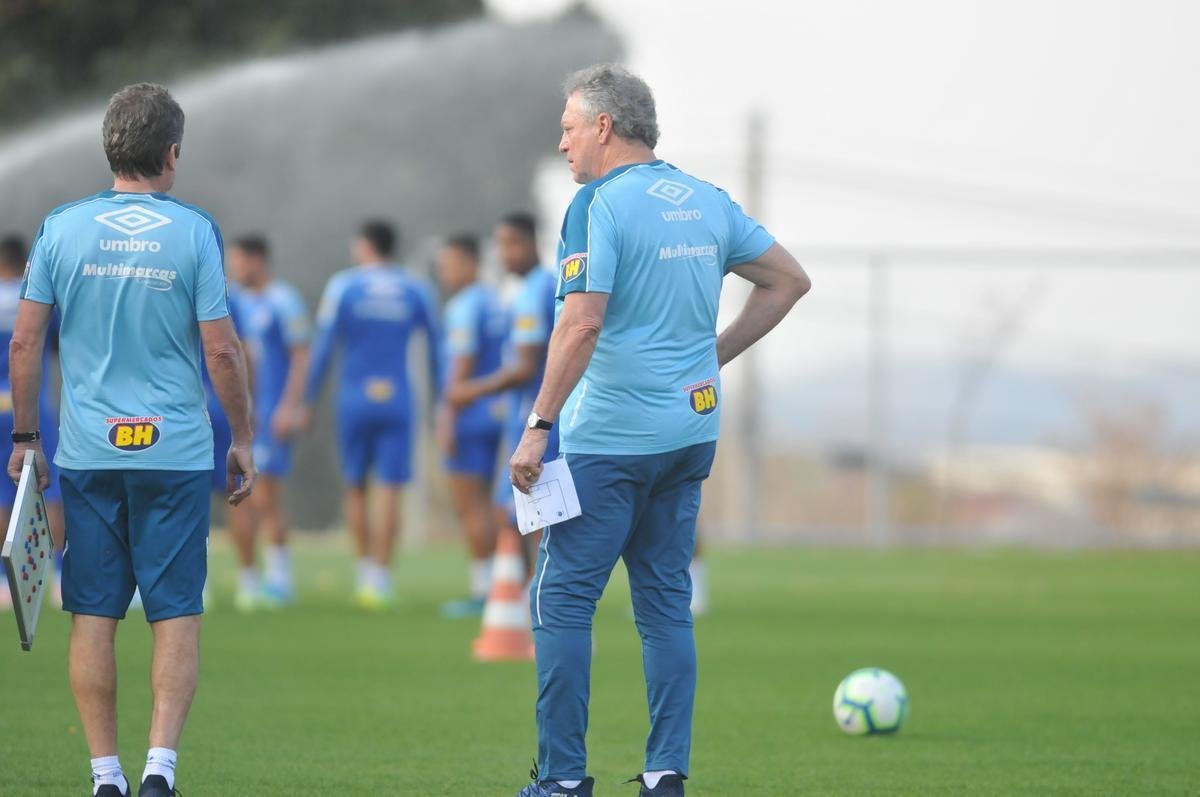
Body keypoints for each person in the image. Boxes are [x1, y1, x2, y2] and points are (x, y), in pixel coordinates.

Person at [508, 65, 811, 797]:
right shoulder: (705, 200)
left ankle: (562, 781)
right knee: (665, 604)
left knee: (560, 604)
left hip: (608, 438)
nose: (562, 142)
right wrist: (712, 357)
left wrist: (537, 424)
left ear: (605, 127)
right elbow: (788, 280)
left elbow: (580, 323)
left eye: (570, 126)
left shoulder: (596, 205)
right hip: (689, 432)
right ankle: (664, 773)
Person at [7, 83, 255, 797]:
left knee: (93, 612)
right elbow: (223, 353)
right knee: (175, 611)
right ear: (172, 153)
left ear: (109, 149)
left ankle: (104, 774)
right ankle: (159, 770)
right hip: (174, 453)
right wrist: (240, 435)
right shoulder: (194, 231)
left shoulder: (62, 227)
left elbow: (25, 344)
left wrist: (27, 437)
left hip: (87, 453)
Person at [300, 221, 439, 610]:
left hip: (355, 396)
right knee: (391, 489)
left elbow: (324, 346)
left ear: (363, 247)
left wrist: (307, 400)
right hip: (398, 397)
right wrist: (443, 402)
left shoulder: (345, 286)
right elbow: (437, 348)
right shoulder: (415, 288)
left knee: (355, 486)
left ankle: (364, 575)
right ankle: (382, 579)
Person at [443, 213, 559, 574]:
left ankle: (545, 604)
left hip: (535, 414)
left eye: (509, 244)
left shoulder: (533, 292)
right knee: (522, 514)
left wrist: (469, 390)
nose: (503, 254)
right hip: (530, 414)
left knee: (533, 514)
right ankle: (533, 601)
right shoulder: (538, 287)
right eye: (499, 246)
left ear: (529, 243)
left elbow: (525, 367)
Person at [227, 235, 310, 609]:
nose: (235, 268)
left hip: (272, 412)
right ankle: (248, 579)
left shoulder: (284, 299)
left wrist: (290, 405)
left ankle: (279, 578)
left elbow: (300, 355)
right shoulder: (234, 301)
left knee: (267, 494)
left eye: (240, 260)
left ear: (258, 259)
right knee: (240, 497)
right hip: (239, 415)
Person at [434, 233, 508, 617]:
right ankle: (509, 580)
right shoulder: (497, 301)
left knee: (471, 503)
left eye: (448, 264)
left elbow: (460, 365)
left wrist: (447, 416)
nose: (444, 273)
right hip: (499, 412)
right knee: (496, 503)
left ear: (469, 263)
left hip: (470, 413)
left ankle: (485, 590)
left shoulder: (464, 306)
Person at [0, 235, 67, 609]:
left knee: (1, 491)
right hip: (32, 405)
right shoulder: (34, 297)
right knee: (48, 488)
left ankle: (4, 583)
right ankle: (56, 575)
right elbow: (57, 343)